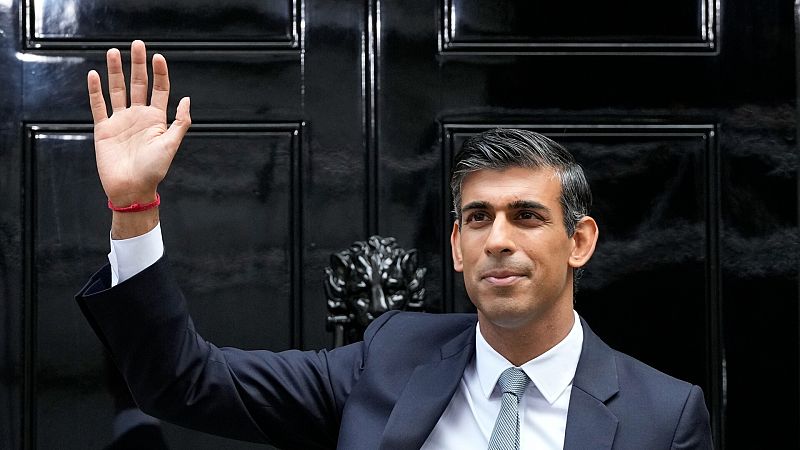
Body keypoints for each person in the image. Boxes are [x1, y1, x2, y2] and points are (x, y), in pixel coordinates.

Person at [76, 41, 713, 449]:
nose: (498, 240)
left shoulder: (663, 416)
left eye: (526, 216)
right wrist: (134, 206)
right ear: (457, 246)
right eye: (478, 219)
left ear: (579, 240)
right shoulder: (390, 359)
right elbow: (182, 381)